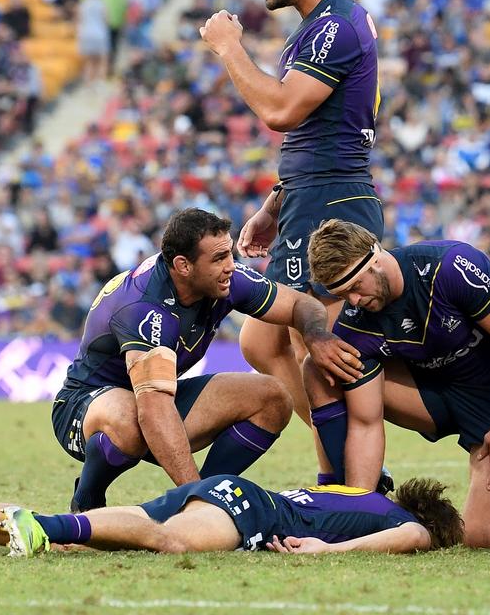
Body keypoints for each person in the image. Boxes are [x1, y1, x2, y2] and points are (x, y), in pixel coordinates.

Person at [199, 0, 383, 473]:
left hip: (333, 200)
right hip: (311, 193)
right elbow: (315, 130)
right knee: (262, 341)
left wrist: (229, 48)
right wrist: (275, 204)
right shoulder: (318, 26)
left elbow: (281, 111)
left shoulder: (335, 26)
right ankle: (349, 462)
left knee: (313, 347)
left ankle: (346, 483)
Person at [52, 208, 360, 513]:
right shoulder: (145, 308)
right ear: (183, 266)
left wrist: (316, 334)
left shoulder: (228, 280)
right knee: (130, 415)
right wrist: (195, 498)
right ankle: (88, 499)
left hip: (153, 398)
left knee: (273, 396)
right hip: (82, 407)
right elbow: (153, 412)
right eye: (218, 259)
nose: (230, 266)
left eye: (229, 254)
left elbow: (299, 304)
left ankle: (201, 501)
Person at [302, 220, 490, 552]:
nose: (355, 300)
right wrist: (361, 512)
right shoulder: (356, 323)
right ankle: (343, 495)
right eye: (343, 294)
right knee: (323, 367)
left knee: (486, 539)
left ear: (374, 256)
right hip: (431, 395)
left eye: (356, 286)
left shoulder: (450, 267)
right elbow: (364, 423)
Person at [0, 474, 464, 556]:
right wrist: (330, 552)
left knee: (88, 537)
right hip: (247, 509)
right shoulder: (393, 518)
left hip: (228, 490)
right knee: (166, 543)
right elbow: (413, 535)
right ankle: (41, 529)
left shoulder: (357, 494)